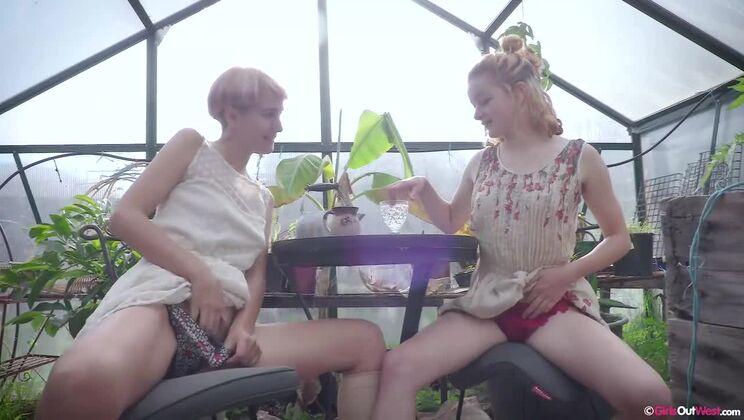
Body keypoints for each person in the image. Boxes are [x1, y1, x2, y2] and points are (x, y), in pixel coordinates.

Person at [36, 67, 385, 420]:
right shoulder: (193, 147)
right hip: (163, 305)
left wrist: (244, 328)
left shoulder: (263, 199)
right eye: (269, 114)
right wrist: (201, 276)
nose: (279, 126)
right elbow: (125, 216)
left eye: (279, 115)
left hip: (223, 339)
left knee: (365, 342)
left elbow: (256, 274)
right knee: (82, 381)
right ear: (231, 114)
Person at [373, 36, 672, 420]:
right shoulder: (482, 162)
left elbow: (619, 239)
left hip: (549, 304)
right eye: (473, 104)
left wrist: (566, 274)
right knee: (398, 367)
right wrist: (424, 188)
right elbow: (450, 222)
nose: (477, 114)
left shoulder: (578, 156)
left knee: (652, 398)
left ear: (518, 92)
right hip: (486, 305)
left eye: (484, 101)